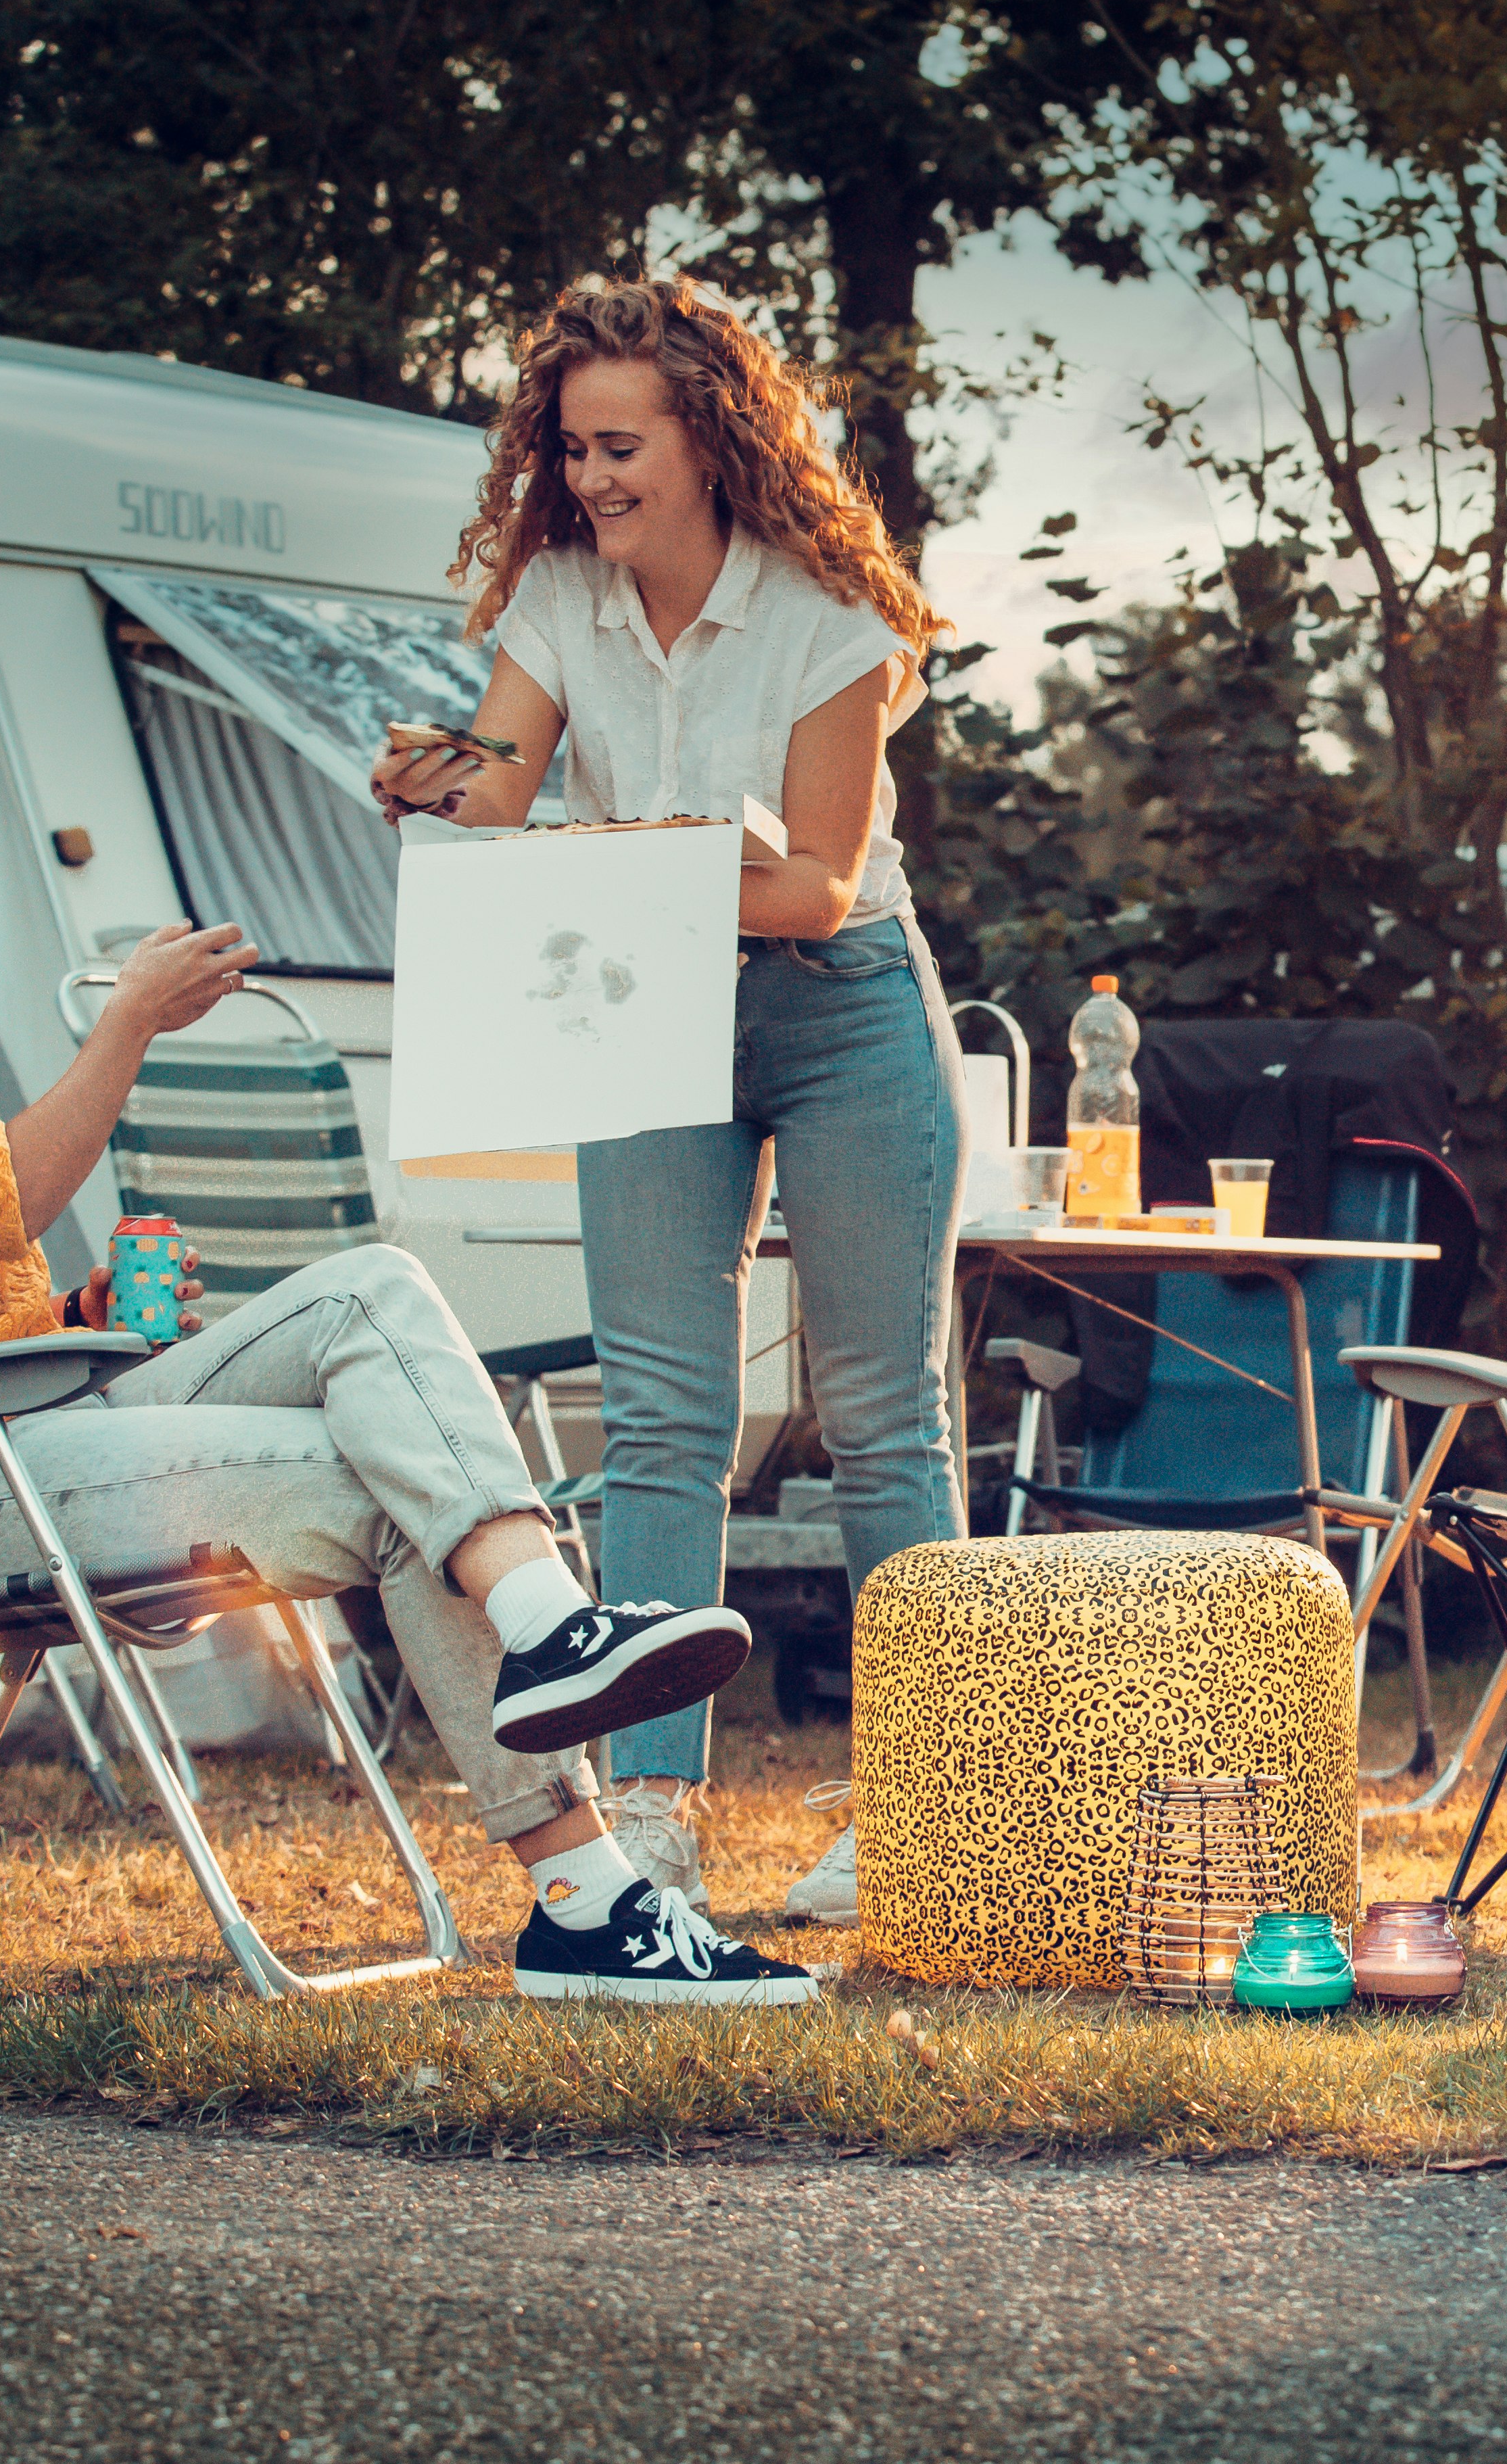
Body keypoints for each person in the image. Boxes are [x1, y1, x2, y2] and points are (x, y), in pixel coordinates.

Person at [0, 763, 806, 2006]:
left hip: (33, 1429)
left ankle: (549, 1636)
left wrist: (69, 1317)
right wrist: (128, 1024)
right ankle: (588, 1904)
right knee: (398, 1483)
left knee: (369, 1289)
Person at [373, 273, 963, 1930]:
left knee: (879, 1416)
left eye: (620, 446)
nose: (592, 481)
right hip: (643, 1003)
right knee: (662, 1421)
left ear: (710, 435)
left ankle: (910, 1816)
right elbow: (498, 785)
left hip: (840, 1013)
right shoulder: (561, 595)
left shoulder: (830, 611)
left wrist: (606, 859)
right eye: (571, 451)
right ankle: (652, 1813)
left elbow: (820, 889)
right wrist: (439, 777)